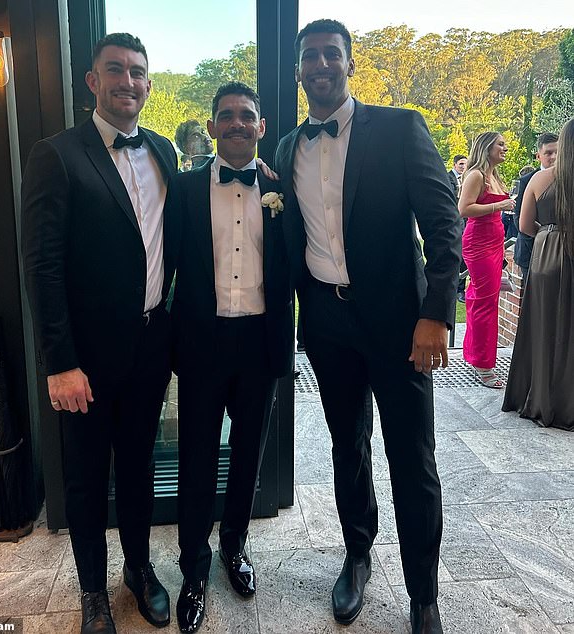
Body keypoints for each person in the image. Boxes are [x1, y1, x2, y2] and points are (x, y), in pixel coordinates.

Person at [275, 19, 462, 634]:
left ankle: (423, 595)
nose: (321, 65)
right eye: (311, 57)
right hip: (328, 323)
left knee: (412, 456)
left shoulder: (399, 128)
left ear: (350, 64)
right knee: (347, 446)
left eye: (332, 54)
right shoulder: (286, 148)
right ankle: (357, 554)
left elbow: (442, 227)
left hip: (401, 326)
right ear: (299, 70)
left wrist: (435, 313)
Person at [22, 33, 177, 634]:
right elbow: (43, 266)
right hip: (83, 360)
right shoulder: (56, 155)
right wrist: (59, 361)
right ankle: (92, 594)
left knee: (140, 467)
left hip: (149, 347)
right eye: (115, 70)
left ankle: (138, 570)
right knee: (86, 479)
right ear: (92, 81)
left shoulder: (162, 150)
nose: (127, 82)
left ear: (147, 83)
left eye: (137, 72)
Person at [165, 82, 293, 633]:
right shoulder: (186, 188)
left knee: (247, 455)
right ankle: (193, 567)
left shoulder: (281, 190)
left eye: (247, 116)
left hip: (259, 345)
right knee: (196, 457)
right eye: (226, 117)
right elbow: (163, 264)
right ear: (212, 127)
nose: (237, 124)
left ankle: (233, 548)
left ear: (261, 128)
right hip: (201, 343)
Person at [502, 118, 574, 431]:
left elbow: (523, 226)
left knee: (542, 328)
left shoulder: (538, 178)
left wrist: (548, 233)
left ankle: (538, 397)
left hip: (546, 254)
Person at [458, 132, 515, 388]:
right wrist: (499, 206)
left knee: (482, 299)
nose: (505, 148)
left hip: (494, 243)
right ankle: (483, 365)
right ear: (487, 147)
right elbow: (464, 209)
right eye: (500, 144)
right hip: (479, 244)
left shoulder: (494, 175)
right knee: (484, 302)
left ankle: (475, 355)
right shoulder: (477, 175)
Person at [513, 132, 559, 282]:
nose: (554, 157)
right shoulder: (527, 181)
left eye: (557, 152)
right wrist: (546, 236)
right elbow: (519, 218)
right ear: (538, 156)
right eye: (548, 153)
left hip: (561, 253)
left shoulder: (567, 179)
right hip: (531, 250)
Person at [448, 155, 468, 301]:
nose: (463, 167)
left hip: (466, 220)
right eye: (461, 164)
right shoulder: (448, 178)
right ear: (455, 164)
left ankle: (460, 289)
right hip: (453, 220)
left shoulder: (469, 177)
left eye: (465, 164)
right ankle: (454, 288)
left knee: (463, 254)